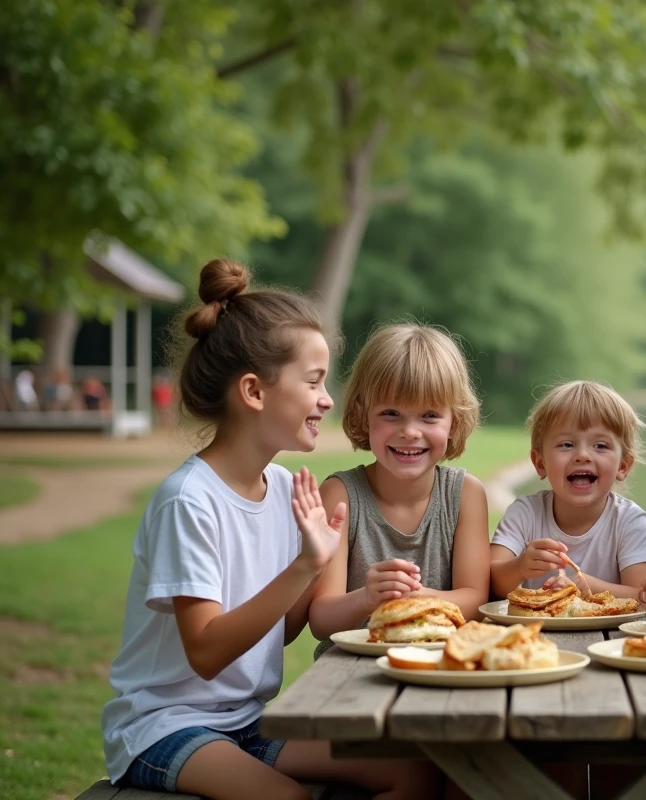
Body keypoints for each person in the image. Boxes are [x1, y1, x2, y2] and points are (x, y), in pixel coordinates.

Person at [101, 259, 439, 800]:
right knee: (288, 798)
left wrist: (356, 590)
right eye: (313, 382)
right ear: (255, 392)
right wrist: (304, 565)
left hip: (250, 721)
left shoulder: (285, 488)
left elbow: (279, 631)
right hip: (165, 726)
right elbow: (207, 652)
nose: (328, 399)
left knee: (412, 772)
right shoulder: (190, 501)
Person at [307, 322, 490, 659]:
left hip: (439, 665)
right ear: (363, 414)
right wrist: (366, 598)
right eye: (391, 413)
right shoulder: (340, 495)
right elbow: (319, 620)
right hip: (350, 674)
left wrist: (419, 598)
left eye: (429, 415)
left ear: (455, 421)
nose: (409, 431)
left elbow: (477, 601)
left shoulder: (465, 494)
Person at [489, 380, 646, 599]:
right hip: (533, 631)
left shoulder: (628, 520)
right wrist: (520, 567)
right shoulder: (524, 513)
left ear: (623, 466)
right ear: (540, 463)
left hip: (609, 634)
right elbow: (490, 584)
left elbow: (643, 596)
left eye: (600, 446)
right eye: (567, 444)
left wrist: (584, 585)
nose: (583, 455)